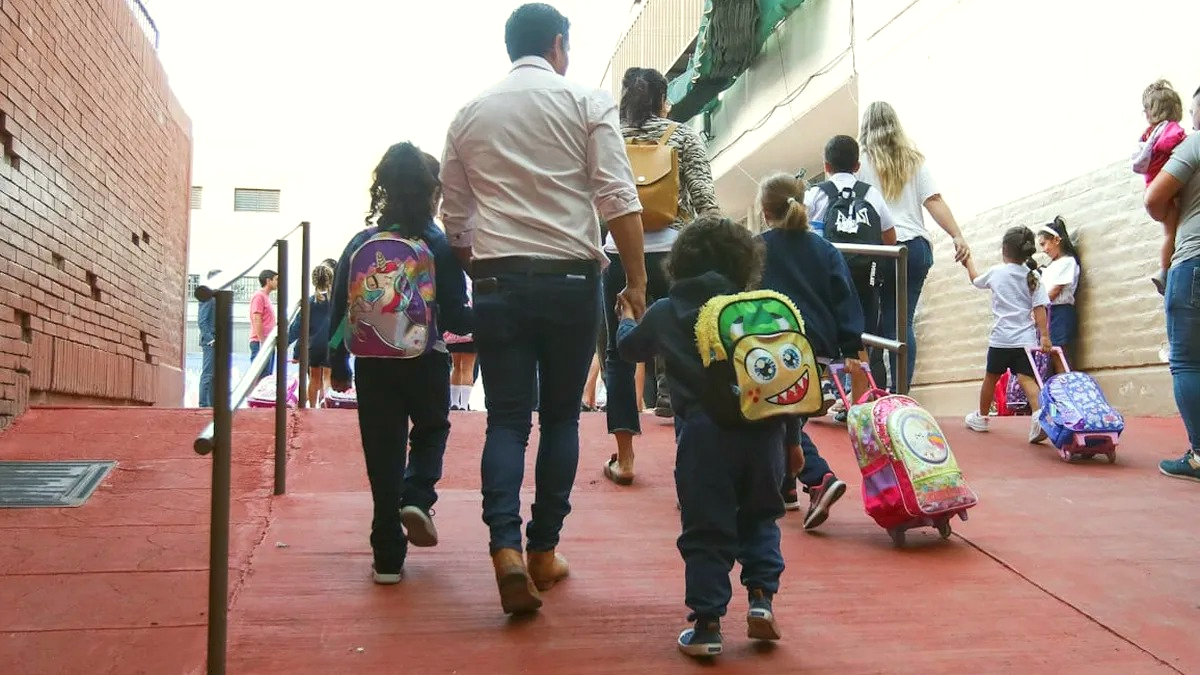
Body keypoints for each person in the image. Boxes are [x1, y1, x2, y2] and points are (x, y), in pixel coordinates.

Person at [439, 2, 648, 615]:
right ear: (558, 45)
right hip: (571, 279)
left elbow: (455, 222)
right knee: (560, 418)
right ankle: (541, 551)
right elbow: (616, 194)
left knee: (506, 419)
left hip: (500, 281)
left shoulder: (468, 114)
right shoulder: (586, 101)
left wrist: (485, 271)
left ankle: (503, 546)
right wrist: (636, 280)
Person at [615, 216, 786, 658]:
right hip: (763, 432)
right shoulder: (757, 312)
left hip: (704, 437)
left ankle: (708, 626)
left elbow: (631, 351)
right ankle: (762, 600)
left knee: (707, 529)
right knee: (760, 517)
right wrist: (791, 443)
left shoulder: (667, 310)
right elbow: (779, 383)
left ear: (682, 260)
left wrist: (627, 319)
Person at [328, 142, 472, 584]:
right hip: (425, 360)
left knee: (382, 453)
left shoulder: (361, 243)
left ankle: (387, 556)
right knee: (432, 430)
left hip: (373, 365)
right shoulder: (438, 244)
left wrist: (338, 363)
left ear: (384, 189)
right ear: (433, 193)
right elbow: (455, 313)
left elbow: (339, 310)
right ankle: (417, 494)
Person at [601, 66, 718, 487]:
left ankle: (626, 459)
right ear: (664, 100)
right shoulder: (683, 135)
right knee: (689, 346)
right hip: (676, 253)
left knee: (618, 355)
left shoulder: (607, 134)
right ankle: (690, 453)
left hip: (618, 252)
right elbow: (705, 198)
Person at [758, 172, 867, 530]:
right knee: (791, 410)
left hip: (772, 342)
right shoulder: (825, 249)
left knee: (778, 414)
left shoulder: (755, 249)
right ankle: (786, 488)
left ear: (763, 211)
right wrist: (850, 345)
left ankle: (818, 479)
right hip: (817, 345)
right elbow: (844, 295)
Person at [858, 101, 971, 393]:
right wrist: (956, 235)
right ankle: (901, 394)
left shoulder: (861, 162)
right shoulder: (912, 159)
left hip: (880, 250)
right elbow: (933, 200)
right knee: (901, 322)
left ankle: (876, 391)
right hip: (916, 248)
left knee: (873, 323)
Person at [808, 134, 898, 423]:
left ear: (826, 166)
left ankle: (819, 391)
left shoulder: (815, 194)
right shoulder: (870, 193)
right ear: (858, 165)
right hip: (863, 278)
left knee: (818, 332)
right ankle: (857, 406)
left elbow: (803, 233)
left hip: (826, 277)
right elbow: (889, 236)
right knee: (860, 337)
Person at [1144, 83, 1200, 482]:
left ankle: (1199, 455)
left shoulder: (1194, 145)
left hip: (1194, 259)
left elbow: (1153, 198)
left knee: (1187, 361)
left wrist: (1169, 216)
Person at [961, 226, 1051, 443]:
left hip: (1001, 340)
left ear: (1004, 249)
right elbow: (1039, 308)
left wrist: (968, 262)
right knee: (1028, 380)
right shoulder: (1033, 276)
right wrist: (1045, 336)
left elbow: (975, 280)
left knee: (990, 378)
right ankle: (1039, 416)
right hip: (1025, 341)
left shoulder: (996, 273)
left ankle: (981, 417)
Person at [1134, 80, 1188, 295]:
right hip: (1167, 188)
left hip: (1152, 183)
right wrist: (1184, 142)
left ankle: (1165, 269)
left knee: (1169, 232)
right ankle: (1164, 270)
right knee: (1171, 233)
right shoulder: (1170, 129)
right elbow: (1169, 143)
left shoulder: (1148, 134)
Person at [1035, 216, 1081, 366]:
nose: (1044, 249)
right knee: (1052, 354)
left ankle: (1066, 385)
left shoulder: (1068, 262)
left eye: (1044, 244)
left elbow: (1055, 290)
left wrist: (1037, 307)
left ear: (1056, 240)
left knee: (1060, 353)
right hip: (1048, 312)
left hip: (1060, 312)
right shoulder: (1051, 266)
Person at [444, 276, 476, 411]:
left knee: (456, 367)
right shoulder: (474, 284)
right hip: (470, 331)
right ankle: (464, 404)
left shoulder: (455, 282)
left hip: (454, 331)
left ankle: (454, 402)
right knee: (468, 368)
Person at [304, 263, 334, 407]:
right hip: (331, 342)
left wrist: (290, 343)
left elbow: (300, 325)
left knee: (314, 378)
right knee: (327, 377)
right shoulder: (334, 302)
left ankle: (311, 407)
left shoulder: (310, 301)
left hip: (314, 344)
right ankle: (326, 403)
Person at [197, 269, 221, 407]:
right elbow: (202, 321)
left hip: (216, 340)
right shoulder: (208, 297)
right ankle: (203, 404)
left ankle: (212, 404)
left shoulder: (216, 297)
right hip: (210, 342)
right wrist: (210, 339)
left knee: (214, 375)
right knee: (208, 373)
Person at [248, 269, 278, 378]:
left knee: (267, 376)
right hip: (260, 342)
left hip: (267, 341)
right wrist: (262, 341)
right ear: (268, 281)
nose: (278, 282)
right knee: (260, 376)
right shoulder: (259, 296)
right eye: (276, 279)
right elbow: (257, 318)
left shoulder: (266, 297)